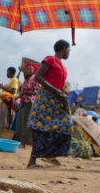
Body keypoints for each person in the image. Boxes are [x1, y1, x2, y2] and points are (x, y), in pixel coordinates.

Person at [26, 40, 73, 168]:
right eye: (68, 50)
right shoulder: (51, 60)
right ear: (63, 49)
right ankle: (32, 161)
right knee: (40, 128)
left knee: (66, 125)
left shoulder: (63, 67)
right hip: (45, 98)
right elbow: (38, 77)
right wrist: (56, 90)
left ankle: (50, 154)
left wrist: (63, 91)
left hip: (57, 100)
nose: (69, 53)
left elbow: (58, 83)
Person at [16, 63, 40, 148]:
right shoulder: (26, 80)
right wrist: (17, 98)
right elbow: (22, 92)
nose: (28, 70)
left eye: (31, 69)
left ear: (34, 71)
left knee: (26, 122)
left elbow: (38, 91)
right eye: (27, 69)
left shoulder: (34, 79)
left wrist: (27, 93)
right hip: (23, 102)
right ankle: (19, 141)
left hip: (30, 102)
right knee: (20, 122)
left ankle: (25, 142)